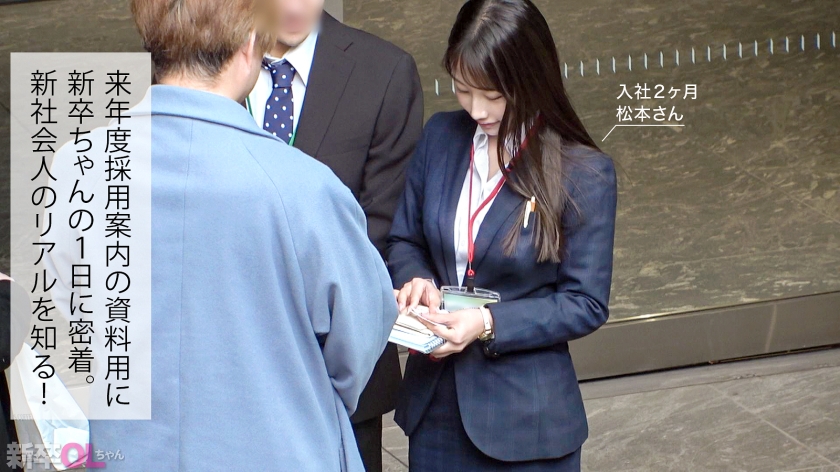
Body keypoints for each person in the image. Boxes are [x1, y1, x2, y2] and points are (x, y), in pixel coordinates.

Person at [42, 0, 397, 469]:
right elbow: (362, 331)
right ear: (250, 44)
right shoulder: (305, 186)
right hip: (276, 448)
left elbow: (74, 306)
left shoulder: (76, 168)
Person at [387, 0, 618, 470]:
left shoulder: (582, 172)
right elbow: (405, 240)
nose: (477, 110)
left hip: (527, 420)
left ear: (530, 79)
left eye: (493, 95)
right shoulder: (441, 137)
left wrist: (487, 322)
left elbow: (585, 303)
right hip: (436, 407)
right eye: (463, 90)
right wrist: (417, 280)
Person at [245, 1, 423, 469]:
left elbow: (381, 223)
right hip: (234, 354)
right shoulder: (210, 62)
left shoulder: (383, 71)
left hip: (341, 359)